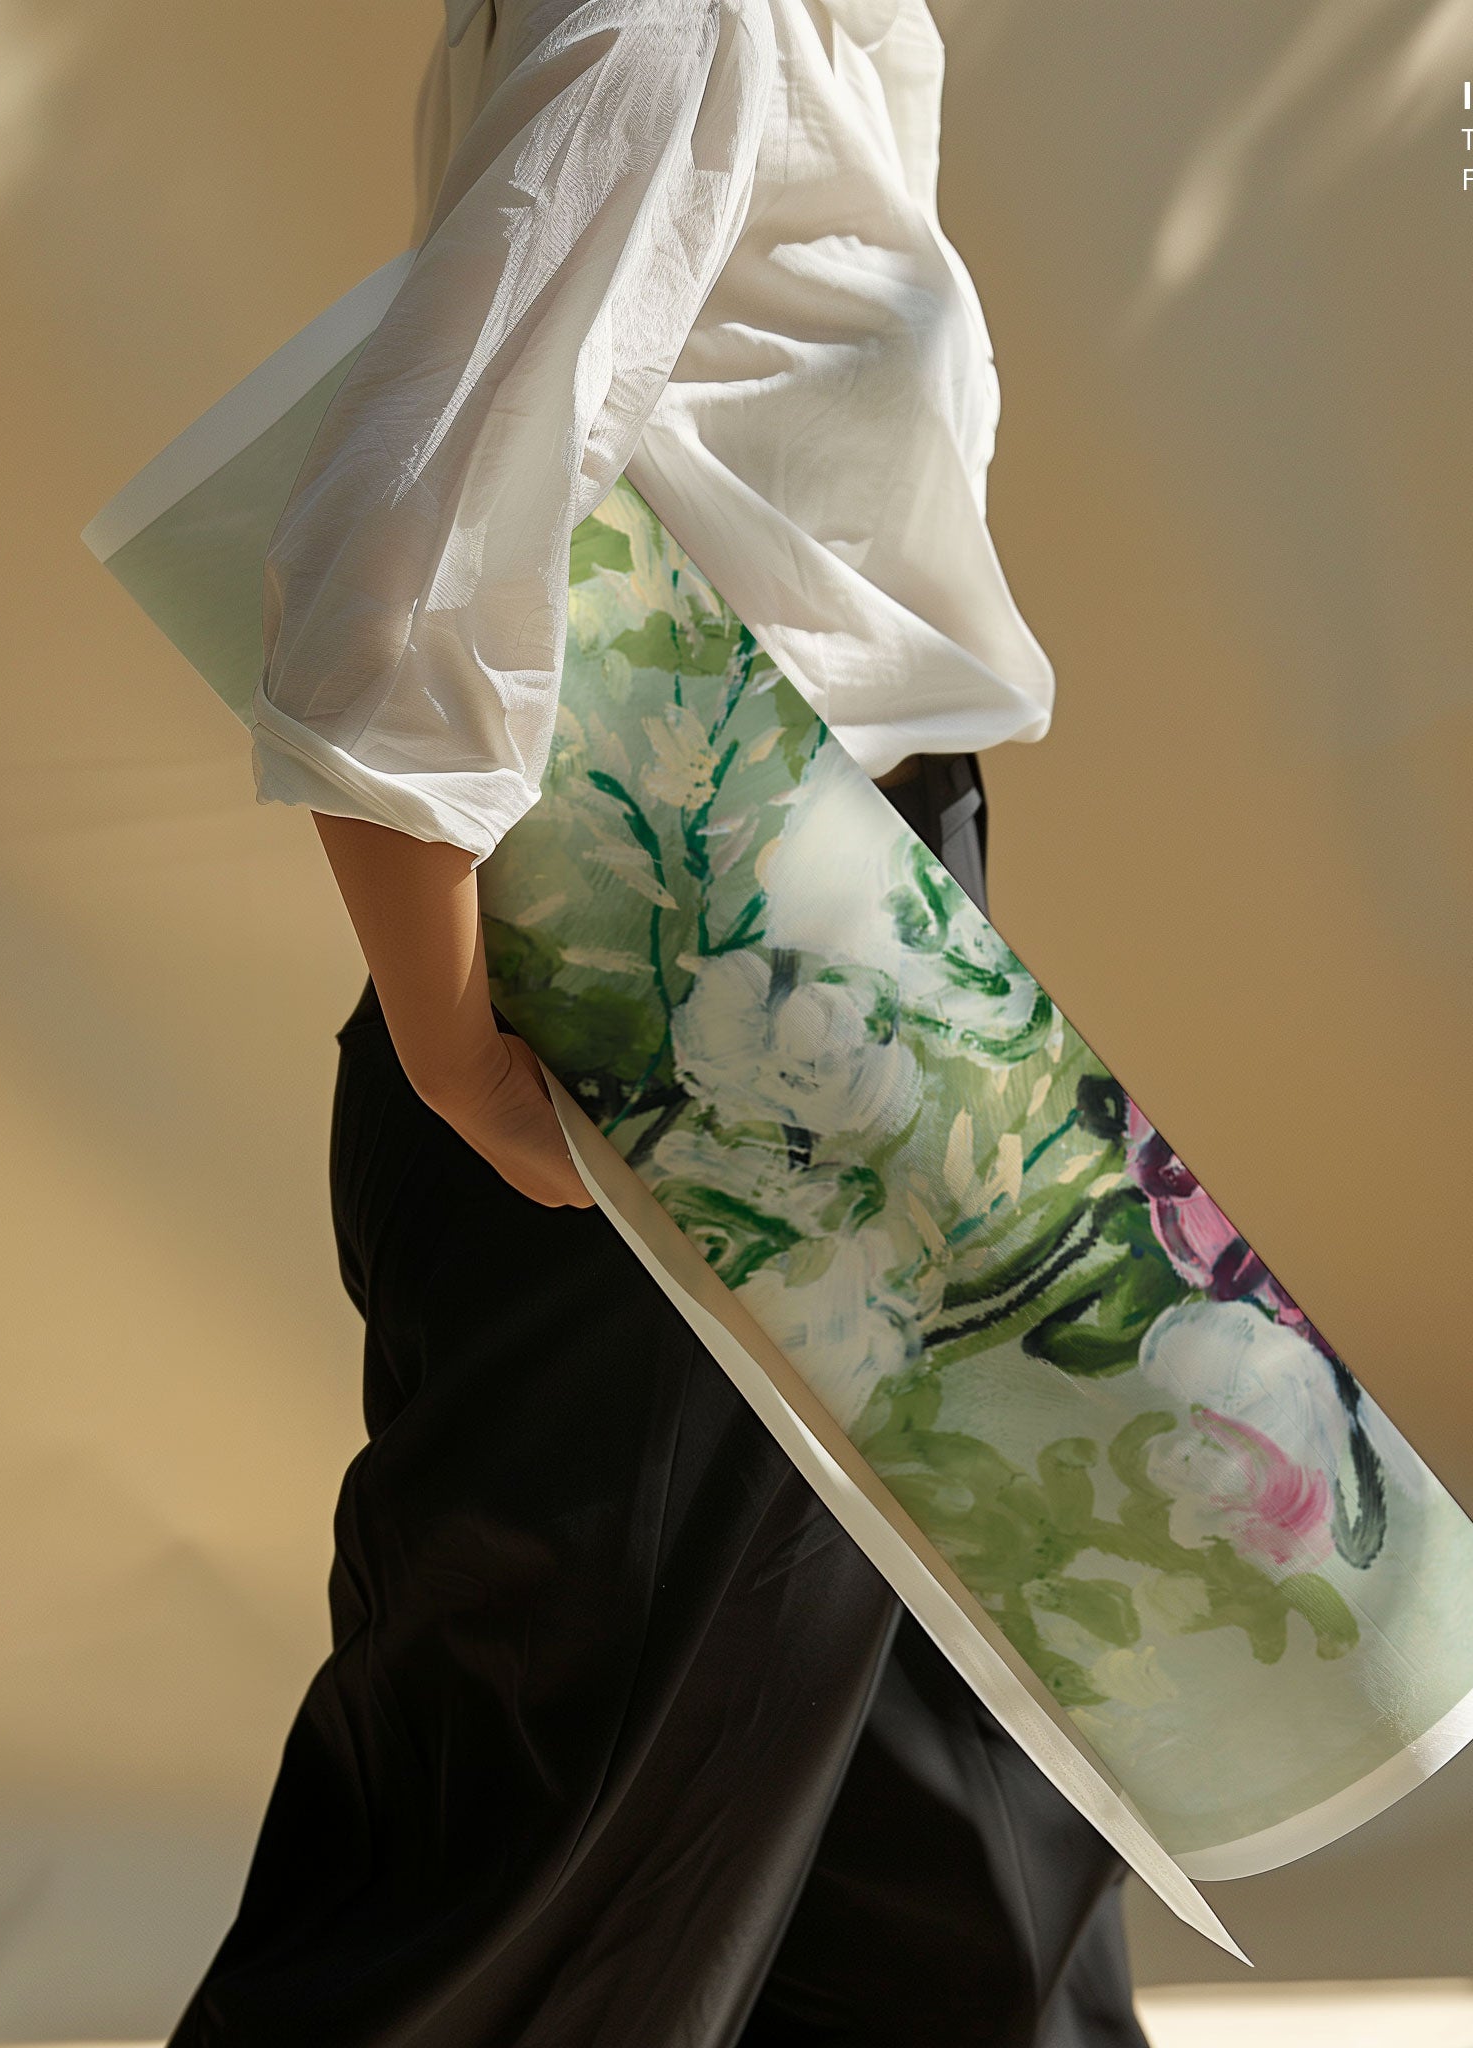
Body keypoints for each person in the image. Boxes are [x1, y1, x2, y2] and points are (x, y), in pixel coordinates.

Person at [166, 3, 1143, 2042]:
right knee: (517, 1862)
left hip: (866, 941)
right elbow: (399, 541)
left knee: (966, 1835)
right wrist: (457, 1051)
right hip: (684, 981)